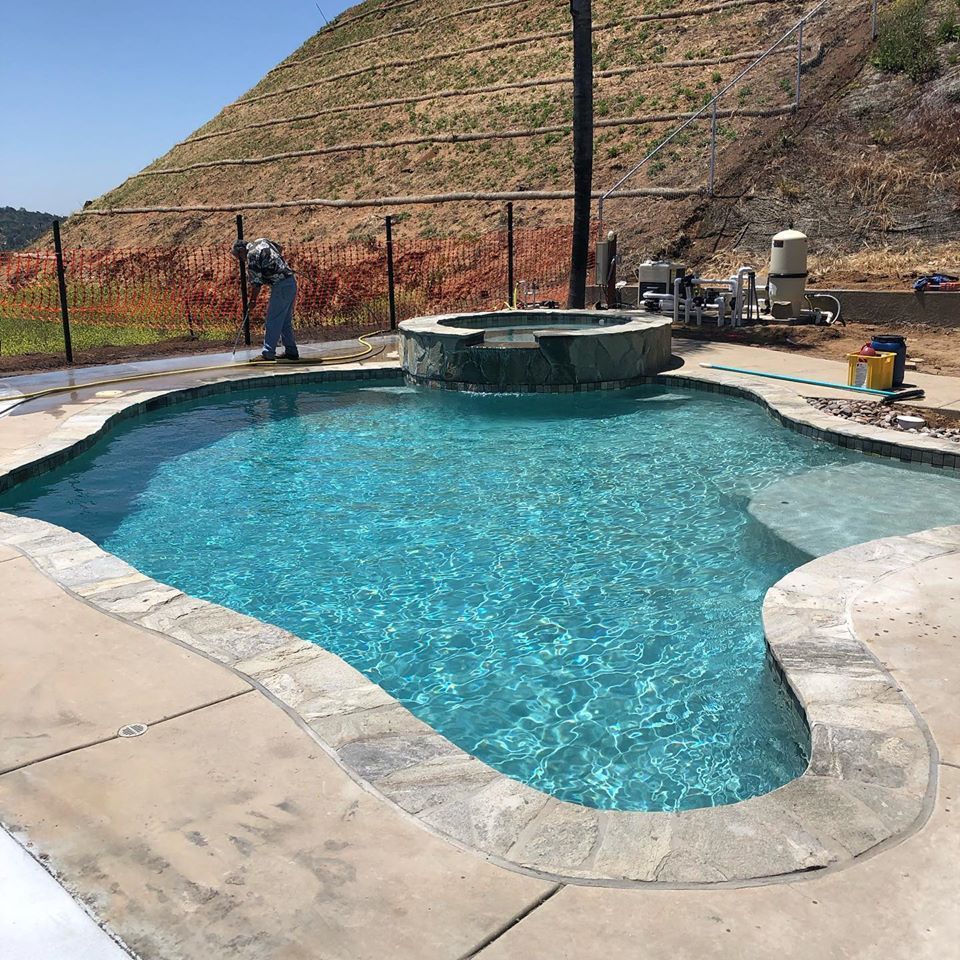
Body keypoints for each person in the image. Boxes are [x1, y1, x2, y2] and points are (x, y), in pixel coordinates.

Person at [232, 238, 300, 361]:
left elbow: (256, 283)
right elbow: (279, 248)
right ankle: (291, 351)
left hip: (281, 286)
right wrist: (276, 264)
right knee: (284, 321)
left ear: (242, 250)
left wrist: (252, 301)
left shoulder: (251, 255)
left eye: (238, 256)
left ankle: (268, 353)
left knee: (272, 320)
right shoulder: (262, 240)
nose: (240, 260)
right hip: (291, 282)